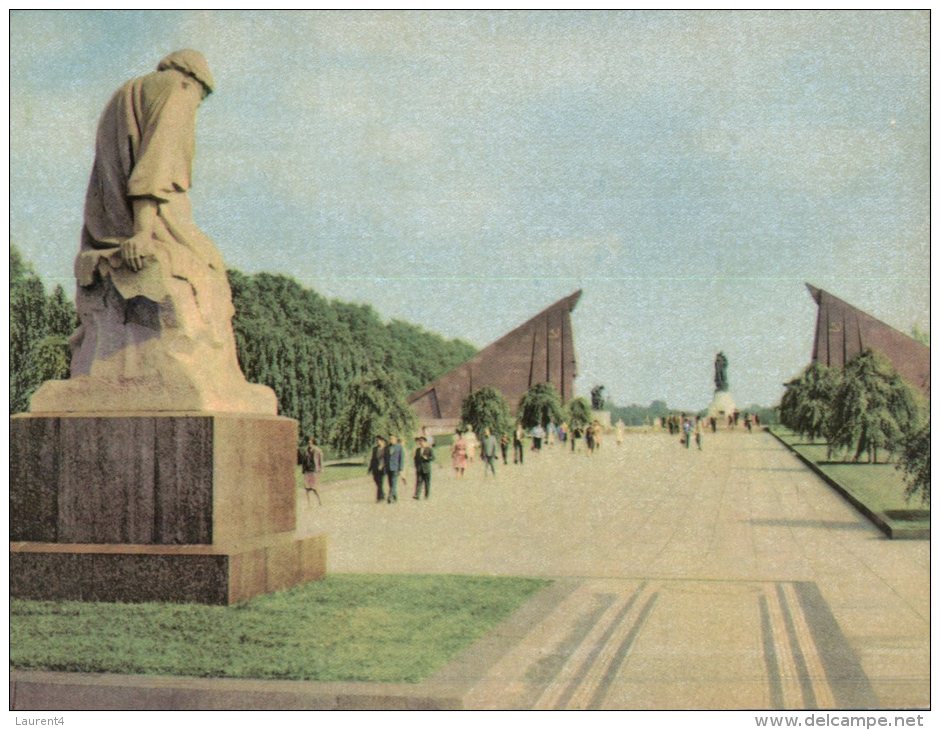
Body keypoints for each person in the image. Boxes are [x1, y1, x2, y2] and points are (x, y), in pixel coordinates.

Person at [34, 50, 274, 415]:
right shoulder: (177, 92)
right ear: (192, 82)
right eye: (200, 100)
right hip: (147, 224)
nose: (196, 108)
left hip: (106, 227)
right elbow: (157, 164)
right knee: (208, 263)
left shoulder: (126, 92)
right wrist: (143, 232)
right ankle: (212, 378)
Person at [298, 436, 323, 506]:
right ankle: (309, 503)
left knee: (315, 488)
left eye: (310, 442)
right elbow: (303, 461)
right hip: (307, 471)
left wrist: (321, 468)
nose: (308, 443)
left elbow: (320, 460)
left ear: (312, 442)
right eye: (307, 442)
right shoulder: (305, 451)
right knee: (307, 488)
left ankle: (320, 501)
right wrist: (303, 470)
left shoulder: (317, 450)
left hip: (314, 470)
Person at [367, 435, 388, 502]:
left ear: (383, 441)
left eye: (378, 440)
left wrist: (383, 465)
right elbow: (372, 459)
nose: (377, 442)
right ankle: (383, 494)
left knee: (380, 482)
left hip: (383, 468)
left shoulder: (386, 449)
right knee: (376, 481)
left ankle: (379, 498)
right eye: (377, 441)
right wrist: (370, 469)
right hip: (375, 468)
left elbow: (387, 459)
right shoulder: (375, 449)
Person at [386, 434, 404, 503]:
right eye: (390, 439)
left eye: (392, 439)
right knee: (390, 483)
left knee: (393, 483)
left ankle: (389, 497)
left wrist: (401, 468)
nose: (391, 440)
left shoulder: (399, 447)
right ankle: (395, 497)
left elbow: (401, 458)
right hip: (388, 468)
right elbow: (386, 458)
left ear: (396, 439)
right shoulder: (387, 447)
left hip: (395, 468)